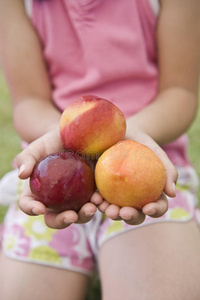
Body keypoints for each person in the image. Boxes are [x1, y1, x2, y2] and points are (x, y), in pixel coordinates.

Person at [0, 0, 200, 299]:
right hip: (58, 178)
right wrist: (63, 136)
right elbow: (29, 102)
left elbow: (180, 91)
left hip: (148, 172)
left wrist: (130, 134)